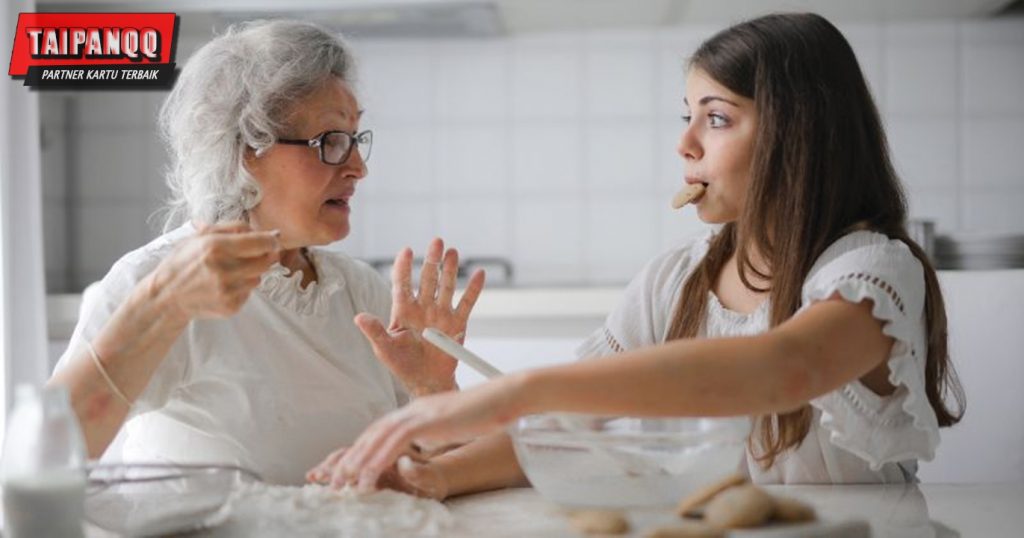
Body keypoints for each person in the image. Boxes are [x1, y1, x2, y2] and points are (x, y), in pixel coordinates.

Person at [310, 12, 966, 494]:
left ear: (797, 135)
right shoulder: (674, 280)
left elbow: (785, 368)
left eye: (716, 117)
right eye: (686, 115)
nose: (684, 144)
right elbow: (571, 428)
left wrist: (520, 388)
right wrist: (436, 474)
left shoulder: (872, 271)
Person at [47, 20, 483, 485]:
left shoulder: (358, 291)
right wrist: (160, 306)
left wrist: (433, 390)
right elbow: (48, 453)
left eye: (355, 139)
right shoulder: (157, 278)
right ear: (242, 151)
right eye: (330, 142)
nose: (359, 167)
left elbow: (429, 470)